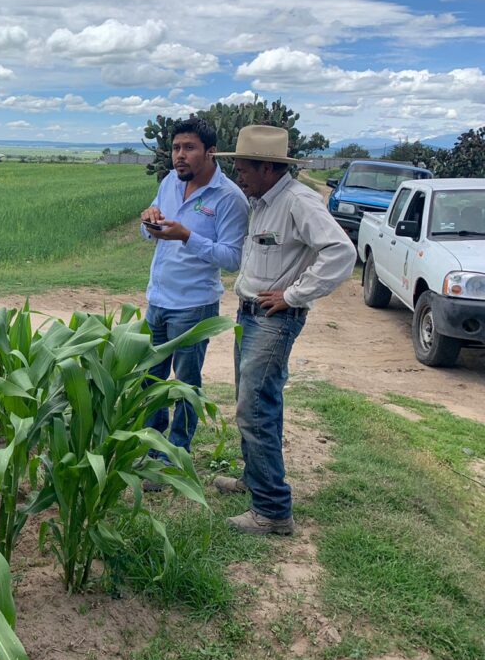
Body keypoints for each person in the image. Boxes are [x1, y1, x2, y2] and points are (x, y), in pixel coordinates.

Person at [212, 125, 356, 535]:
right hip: (250, 314)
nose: (239, 176)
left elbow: (340, 253)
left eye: (244, 169)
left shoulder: (298, 201)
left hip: (273, 320)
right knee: (251, 401)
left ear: (268, 167)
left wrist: (294, 295)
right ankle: (254, 481)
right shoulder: (262, 200)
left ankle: (273, 511)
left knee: (254, 408)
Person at [139, 116, 249, 465]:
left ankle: (175, 452)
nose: (179, 156)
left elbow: (233, 258)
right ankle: (150, 446)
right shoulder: (170, 181)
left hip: (194, 305)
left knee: (185, 383)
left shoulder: (229, 198)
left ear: (211, 152)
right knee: (150, 379)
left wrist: (187, 236)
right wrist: (149, 222)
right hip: (158, 298)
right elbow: (151, 232)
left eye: (189, 148)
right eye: (175, 148)